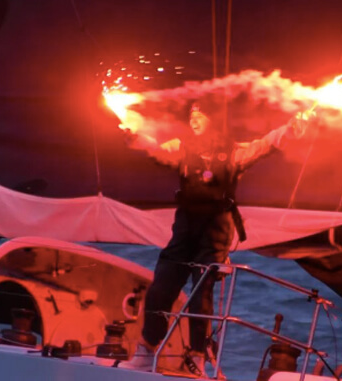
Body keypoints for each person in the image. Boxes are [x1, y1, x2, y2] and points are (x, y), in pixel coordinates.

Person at [120, 101, 312, 375]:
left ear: (213, 121)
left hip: (216, 228)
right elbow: (156, 151)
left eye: (200, 115)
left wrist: (291, 129)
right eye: (191, 116)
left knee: (201, 292)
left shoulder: (235, 153)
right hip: (185, 226)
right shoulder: (180, 147)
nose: (194, 120)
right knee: (161, 286)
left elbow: (267, 144)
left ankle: (198, 356)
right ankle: (146, 350)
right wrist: (134, 137)